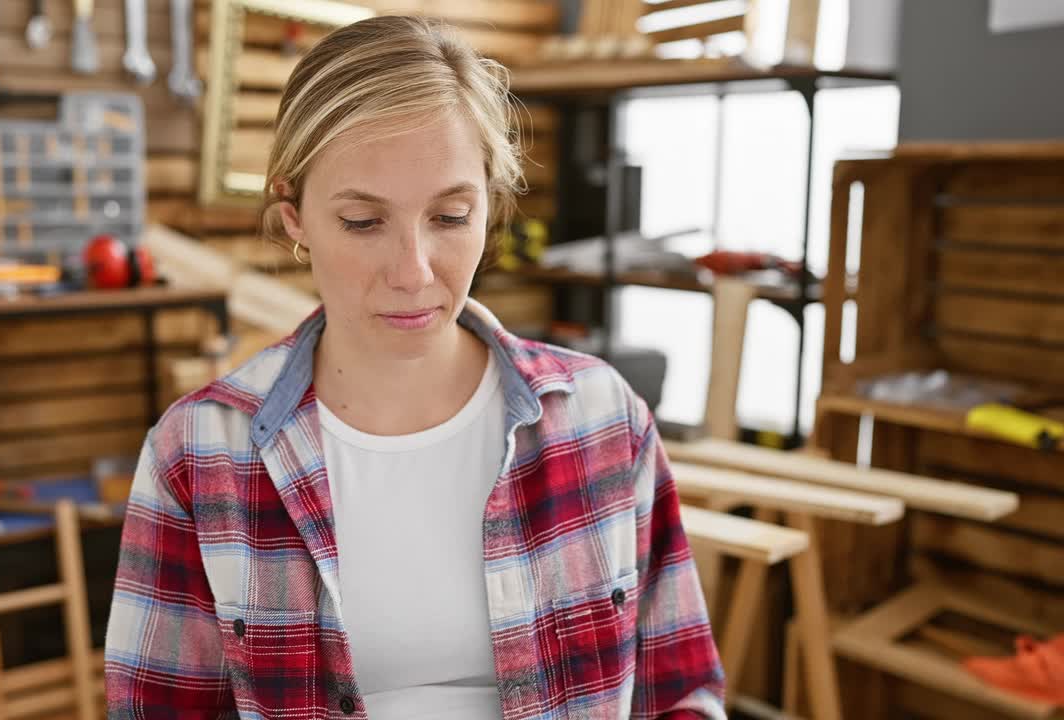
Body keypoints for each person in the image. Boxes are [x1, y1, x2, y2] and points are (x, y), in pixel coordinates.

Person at [105, 15, 725, 720]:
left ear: (491, 204)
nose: (413, 271)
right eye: (364, 223)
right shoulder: (198, 453)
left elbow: (681, 694)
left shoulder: (602, 419)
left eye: (452, 216)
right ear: (295, 216)